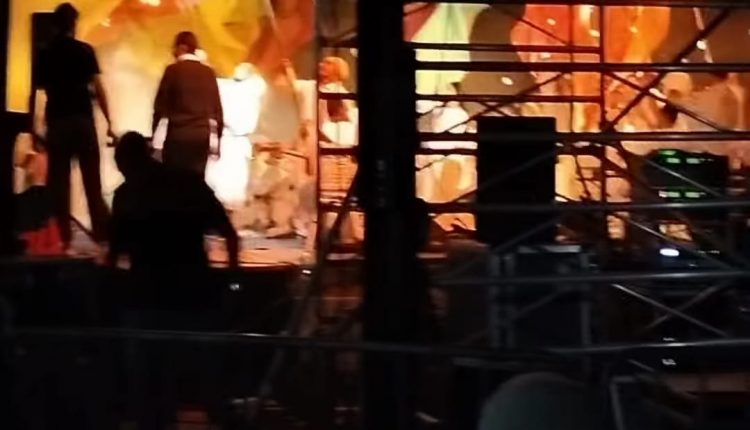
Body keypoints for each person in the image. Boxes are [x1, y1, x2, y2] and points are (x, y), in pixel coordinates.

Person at [108, 132, 238, 429]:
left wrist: (113, 294)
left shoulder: (127, 195)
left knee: (148, 387)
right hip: (194, 296)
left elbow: (114, 254)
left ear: (125, 162)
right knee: (207, 382)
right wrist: (233, 282)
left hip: (147, 299)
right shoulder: (188, 184)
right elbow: (229, 235)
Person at [36, 2, 114, 254]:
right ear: (74, 24)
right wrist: (110, 122)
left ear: (54, 24)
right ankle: (104, 239)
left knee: (59, 186)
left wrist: (35, 126)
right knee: (92, 183)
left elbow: (39, 93)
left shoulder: (45, 53)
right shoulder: (85, 51)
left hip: (58, 121)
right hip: (82, 121)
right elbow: (98, 89)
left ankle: (63, 240)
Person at [153, 31, 224, 176]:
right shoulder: (208, 73)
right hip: (201, 138)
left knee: (174, 180)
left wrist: (155, 136)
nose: (173, 52)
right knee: (196, 181)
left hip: (177, 136)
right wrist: (217, 141)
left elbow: (160, 107)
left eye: (174, 48)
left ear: (182, 48)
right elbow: (217, 110)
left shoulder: (172, 71)